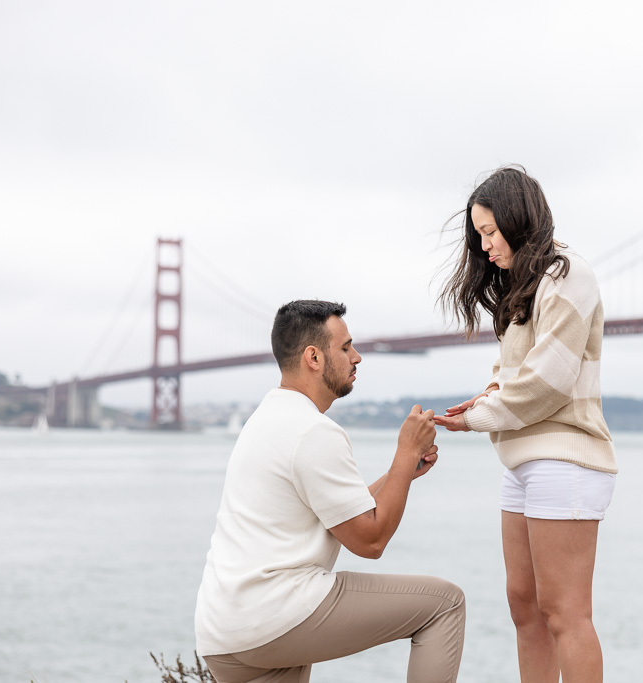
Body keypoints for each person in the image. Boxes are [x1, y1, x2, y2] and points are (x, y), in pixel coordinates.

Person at [194, 300, 466, 683]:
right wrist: (405, 455)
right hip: (275, 615)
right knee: (444, 605)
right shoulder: (313, 432)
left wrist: (398, 474)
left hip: (224, 632)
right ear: (314, 357)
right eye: (345, 347)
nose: (357, 357)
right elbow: (370, 541)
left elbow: (337, 514)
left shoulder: (266, 417)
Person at [433, 166, 617, 683]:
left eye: (490, 232)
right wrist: (487, 396)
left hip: (567, 457)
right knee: (524, 607)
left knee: (565, 613)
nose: (485, 247)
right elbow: (514, 372)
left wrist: (476, 417)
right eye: (480, 236)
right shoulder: (527, 285)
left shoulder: (568, 274)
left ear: (517, 217)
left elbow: (550, 380)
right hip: (522, 459)